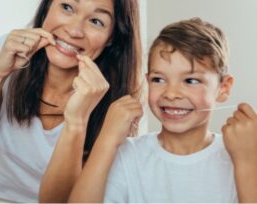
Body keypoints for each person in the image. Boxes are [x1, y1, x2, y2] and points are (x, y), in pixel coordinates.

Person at [0, 0, 143, 203]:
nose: (74, 30)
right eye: (67, 7)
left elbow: (58, 201)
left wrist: (77, 121)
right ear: (48, 6)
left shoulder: (115, 103)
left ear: (111, 38)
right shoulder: (9, 51)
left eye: (96, 21)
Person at [69, 17, 257, 203]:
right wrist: (107, 139)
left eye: (191, 81)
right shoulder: (128, 155)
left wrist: (247, 163)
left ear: (223, 88)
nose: (171, 93)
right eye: (158, 79)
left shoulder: (242, 155)